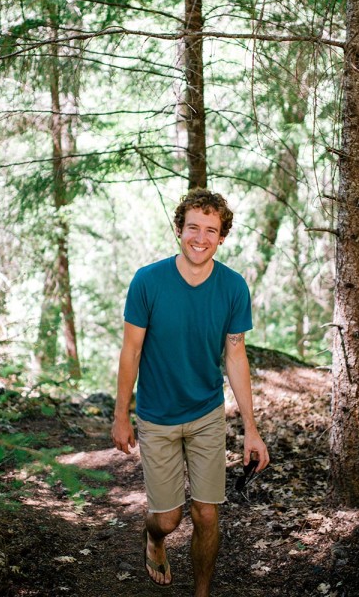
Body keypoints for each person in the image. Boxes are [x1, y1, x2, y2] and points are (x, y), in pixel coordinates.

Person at [111, 188, 270, 597]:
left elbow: (236, 355)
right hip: (157, 416)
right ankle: (155, 539)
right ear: (179, 229)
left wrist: (251, 428)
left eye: (211, 230)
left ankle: (201, 592)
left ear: (222, 236)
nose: (201, 238)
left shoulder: (233, 287)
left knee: (207, 514)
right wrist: (121, 414)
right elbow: (131, 351)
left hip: (206, 414)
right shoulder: (148, 281)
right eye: (193, 227)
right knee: (169, 519)